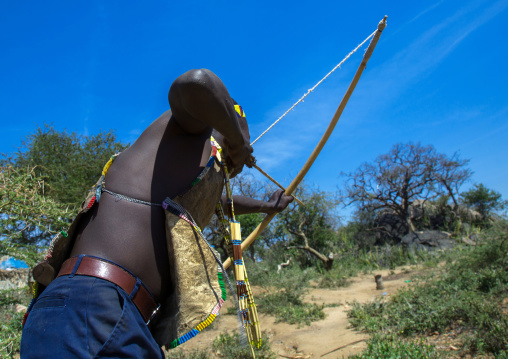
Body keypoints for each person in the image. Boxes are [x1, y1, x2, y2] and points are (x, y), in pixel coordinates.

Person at [20, 69, 293, 358]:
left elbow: (223, 204)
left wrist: (267, 205)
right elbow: (196, 83)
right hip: (93, 306)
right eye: (243, 138)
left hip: (106, 313)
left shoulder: (191, 176)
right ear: (230, 123)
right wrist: (239, 142)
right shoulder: (192, 129)